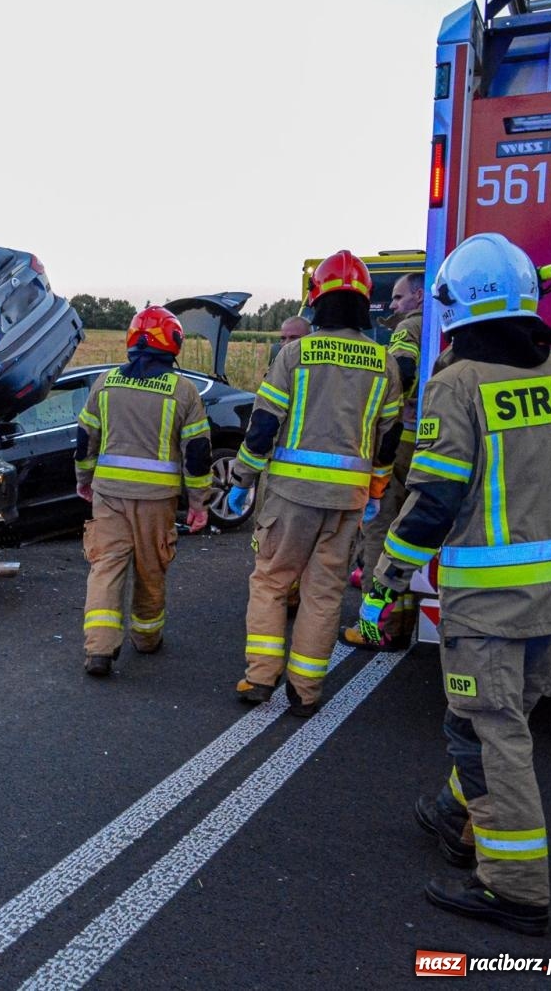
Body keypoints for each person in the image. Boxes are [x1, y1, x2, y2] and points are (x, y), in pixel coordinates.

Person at [360, 234, 551, 936]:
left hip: (487, 606)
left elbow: (434, 500)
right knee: (482, 723)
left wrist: (386, 580)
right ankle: (457, 817)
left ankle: (514, 888)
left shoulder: (457, 385)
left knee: (491, 732)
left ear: (457, 308)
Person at [223, 250, 403, 716]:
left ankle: (260, 676)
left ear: (317, 300)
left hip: (290, 496)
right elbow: (388, 440)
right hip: (348, 500)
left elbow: (263, 425)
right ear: (365, 303)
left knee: (271, 582)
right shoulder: (384, 363)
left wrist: (242, 479)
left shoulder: (295, 354)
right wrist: (377, 491)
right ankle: (306, 692)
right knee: (324, 594)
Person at [75, 307, 213, 676]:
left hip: (109, 495)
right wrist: (199, 502)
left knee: (105, 567)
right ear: (174, 343)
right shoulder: (184, 391)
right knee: (151, 570)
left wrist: (83, 479)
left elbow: (85, 440)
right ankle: (146, 638)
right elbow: (197, 455)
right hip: (157, 501)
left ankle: (99, 651)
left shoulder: (105, 383)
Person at [344, 272, 426, 648]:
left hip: (403, 445)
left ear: (419, 296)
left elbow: (402, 370)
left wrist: (382, 406)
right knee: (412, 532)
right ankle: (404, 616)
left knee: (381, 530)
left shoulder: (409, 328)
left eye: (397, 297)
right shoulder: (447, 325)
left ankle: (377, 626)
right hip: (433, 449)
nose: (392, 305)